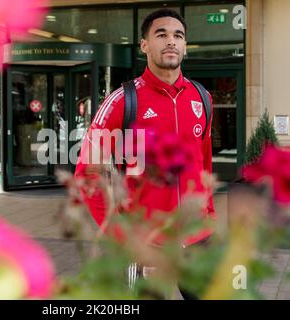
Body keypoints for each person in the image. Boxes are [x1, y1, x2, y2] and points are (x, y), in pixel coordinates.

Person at [74, 8, 216, 299]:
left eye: (178, 35)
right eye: (161, 34)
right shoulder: (122, 101)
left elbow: (204, 164)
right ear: (144, 45)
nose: (171, 42)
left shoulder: (202, 98)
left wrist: (209, 214)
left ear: (185, 46)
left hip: (197, 240)